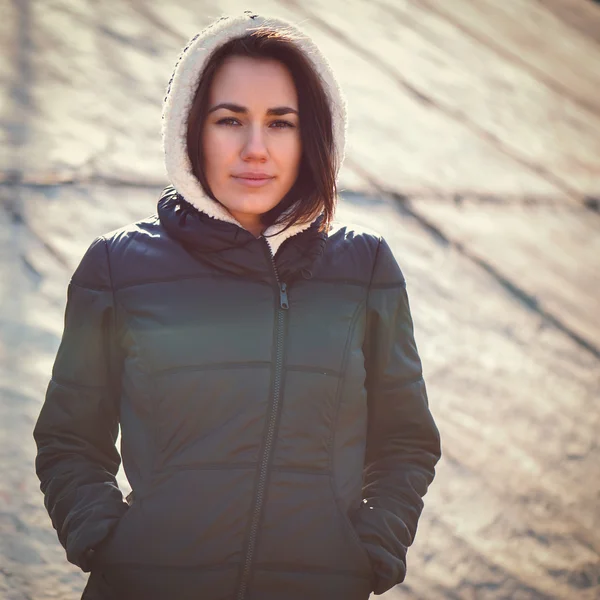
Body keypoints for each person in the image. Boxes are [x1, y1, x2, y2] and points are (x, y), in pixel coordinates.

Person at [33, 12, 442, 600]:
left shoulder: (365, 269)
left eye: (281, 123)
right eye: (230, 120)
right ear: (191, 130)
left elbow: (405, 440)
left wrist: (372, 551)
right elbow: (71, 439)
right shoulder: (118, 267)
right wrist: (108, 542)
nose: (255, 149)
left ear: (313, 136)